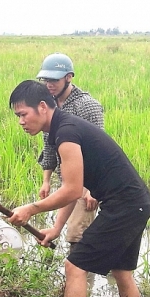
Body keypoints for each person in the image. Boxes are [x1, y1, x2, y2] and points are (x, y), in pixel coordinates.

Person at [6, 80, 150, 297]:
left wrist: (31, 209)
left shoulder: (66, 132)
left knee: (74, 266)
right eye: (17, 116)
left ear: (42, 107)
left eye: (23, 114)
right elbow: (73, 186)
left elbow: (72, 190)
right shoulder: (63, 129)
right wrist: (56, 228)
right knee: (121, 272)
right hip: (134, 203)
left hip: (125, 205)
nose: (21, 121)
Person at [35, 53, 104, 249]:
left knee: (77, 234)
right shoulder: (49, 105)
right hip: (67, 178)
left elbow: (98, 149)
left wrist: (92, 190)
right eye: (46, 80)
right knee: (64, 228)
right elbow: (48, 145)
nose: (49, 85)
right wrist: (46, 180)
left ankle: (79, 267)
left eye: (54, 80)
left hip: (87, 179)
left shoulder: (87, 106)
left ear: (69, 77)